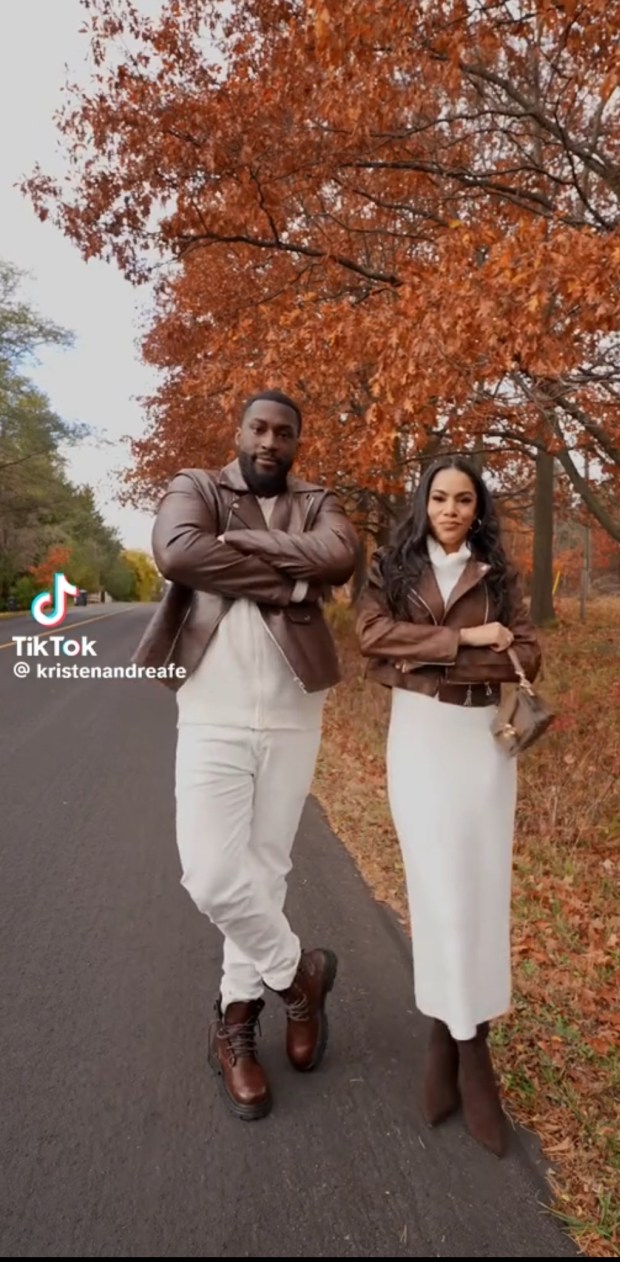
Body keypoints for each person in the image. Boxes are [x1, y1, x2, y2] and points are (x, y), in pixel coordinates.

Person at [147, 389, 359, 1121]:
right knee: (210, 873)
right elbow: (178, 551)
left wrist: (243, 548)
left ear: (298, 442)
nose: (271, 441)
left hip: (296, 708)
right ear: (238, 431)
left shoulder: (318, 499)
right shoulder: (195, 487)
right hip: (212, 708)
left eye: (285, 433)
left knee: (265, 870)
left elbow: (340, 554)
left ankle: (235, 1024)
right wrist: (295, 581)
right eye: (259, 428)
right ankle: (299, 977)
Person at [355, 455, 542, 1157]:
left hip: (483, 745)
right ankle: (467, 1058)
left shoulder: (498, 572)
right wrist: (465, 639)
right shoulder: (393, 568)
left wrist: (424, 658)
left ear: (479, 508)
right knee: (436, 893)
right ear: (424, 502)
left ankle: (456, 1037)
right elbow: (370, 639)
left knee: (482, 894)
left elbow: (528, 654)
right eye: (441, 497)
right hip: (421, 741)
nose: (452, 509)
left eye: (465, 499)